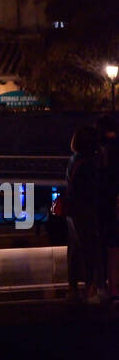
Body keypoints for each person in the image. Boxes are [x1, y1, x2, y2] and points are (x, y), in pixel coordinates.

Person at [66, 125, 105, 303]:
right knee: (90, 249)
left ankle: (72, 288)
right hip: (85, 210)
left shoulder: (74, 159)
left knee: (74, 250)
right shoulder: (89, 163)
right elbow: (94, 189)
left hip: (72, 210)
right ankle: (91, 289)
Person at [95, 115, 119, 300]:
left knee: (108, 247)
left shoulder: (102, 152)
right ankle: (113, 286)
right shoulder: (112, 149)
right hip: (112, 204)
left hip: (105, 205)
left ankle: (108, 286)